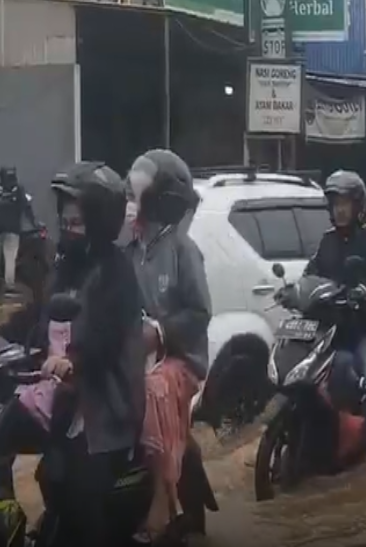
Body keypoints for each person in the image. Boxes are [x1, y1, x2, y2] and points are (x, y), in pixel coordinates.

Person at [25, 162, 145, 547]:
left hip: (104, 410)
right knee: (49, 475)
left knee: (81, 490)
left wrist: (73, 359)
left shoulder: (116, 271)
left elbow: (105, 337)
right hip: (64, 402)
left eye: (77, 222)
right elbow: (38, 317)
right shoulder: (65, 268)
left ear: (99, 221)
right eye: (66, 221)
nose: (69, 228)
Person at [123, 149, 212, 541]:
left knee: (154, 389)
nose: (128, 205)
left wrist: (158, 332)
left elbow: (199, 313)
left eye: (135, 196)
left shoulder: (182, 250)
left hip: (182, 359)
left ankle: (162, 499)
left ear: (160, 201)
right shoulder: (131, 250)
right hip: (140, 357)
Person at [304, 170, 366, 459]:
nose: (340, 210)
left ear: (358, 206)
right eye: (335, 204)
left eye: (345, 204)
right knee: (323, 378)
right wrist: (293, 291)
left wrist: (363, 289)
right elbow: (311, 273)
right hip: (333, 334)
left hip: (363, 330)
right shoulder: (327, 240)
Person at [0, 165, 38, 293]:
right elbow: (26, 207)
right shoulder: (18, 190)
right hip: (12, 230)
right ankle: (9, 285)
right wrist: (34, 223)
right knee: (10, 257)